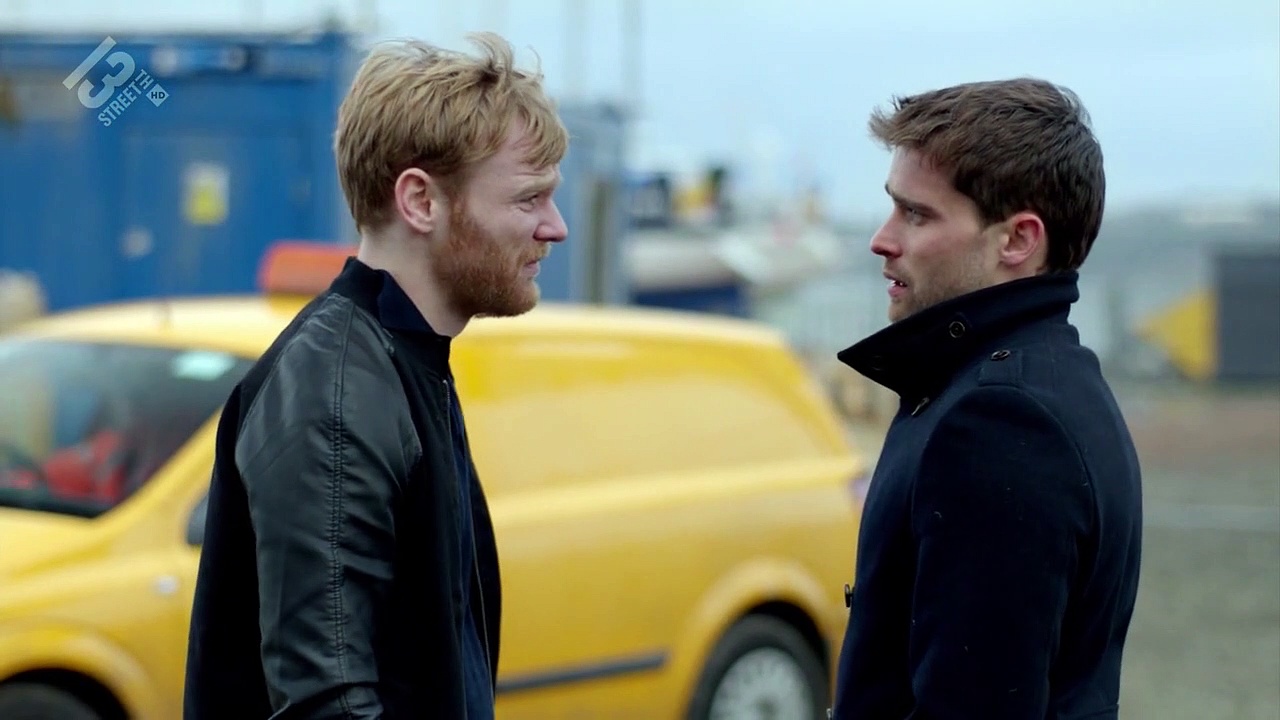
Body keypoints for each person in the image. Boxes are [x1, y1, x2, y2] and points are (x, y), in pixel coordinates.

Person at [183, 32, 569, 719]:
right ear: (420, 201)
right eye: (528, 199)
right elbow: (327, 703)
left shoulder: (405, 362)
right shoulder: (335, 393)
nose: (555, 227)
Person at [831, 78, 1143, 719]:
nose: (882, 239)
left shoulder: (1000, 421)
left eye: (917, 214)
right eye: (892, 207)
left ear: (1018, 240)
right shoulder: (1051, 379)